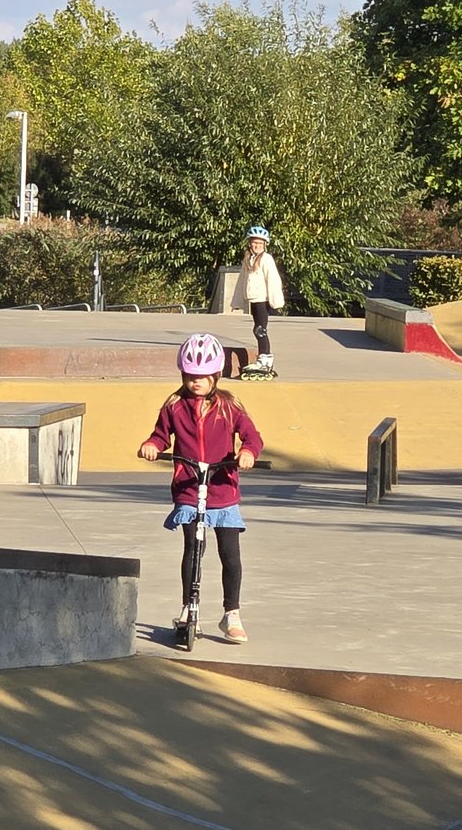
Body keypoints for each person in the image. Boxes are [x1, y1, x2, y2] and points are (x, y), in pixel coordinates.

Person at [137, 333, 264, 644]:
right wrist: (152, 445)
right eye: (190, 376)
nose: (196, 382)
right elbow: (161, 435)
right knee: (193, 550)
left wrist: (248, 452)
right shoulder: (174, 406)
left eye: (203, 376)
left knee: (229, 554)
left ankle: (231, 613)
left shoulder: (229, 406)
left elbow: (252, 437)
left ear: (216, 376)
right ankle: (188, 606)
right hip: (190, 488)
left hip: (222, 489)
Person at [233, 226, 286, 375]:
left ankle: (265, 360)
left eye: (260, 243)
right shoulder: (248, 259)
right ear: (249, 243)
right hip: (254, 300)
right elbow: (242, 281)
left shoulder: (266, 259)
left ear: (265, 245)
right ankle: (264, 359)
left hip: (263, 300)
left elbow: (273, 279)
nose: (257, 246)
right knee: (257, 329)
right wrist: (237, 301)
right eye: (255, 242)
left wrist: (276, 301)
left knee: (260, 330)